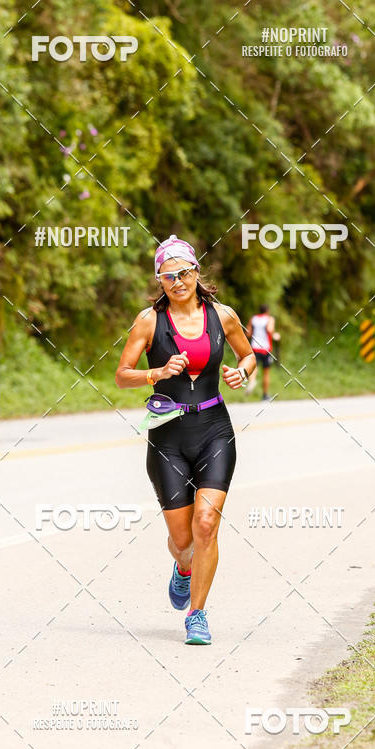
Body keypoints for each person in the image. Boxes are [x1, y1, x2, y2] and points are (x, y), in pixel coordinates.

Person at [115, 235, 256, 645]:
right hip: (167, 437)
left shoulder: (222, 315)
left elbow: (248, 354)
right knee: (183, 542)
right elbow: (122, 375)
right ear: (159, 280)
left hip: (214, 429)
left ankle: (198, 615)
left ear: (197, 272)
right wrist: (155, 373)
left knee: (206, 525)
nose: (178, 281)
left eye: (184, 272)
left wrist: (242, 373)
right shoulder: (148, 321)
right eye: (168, 275)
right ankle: (183, 569)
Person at [246, 305, 276, 400]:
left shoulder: (253, 318)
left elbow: (248, 333)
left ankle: (252, 381)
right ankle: (265, 395)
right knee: (266, 372)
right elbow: (270, 330)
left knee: (255, 368)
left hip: (254, 347)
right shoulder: (269, 319)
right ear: (267, 311)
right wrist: (275, 335)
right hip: (265, 348)